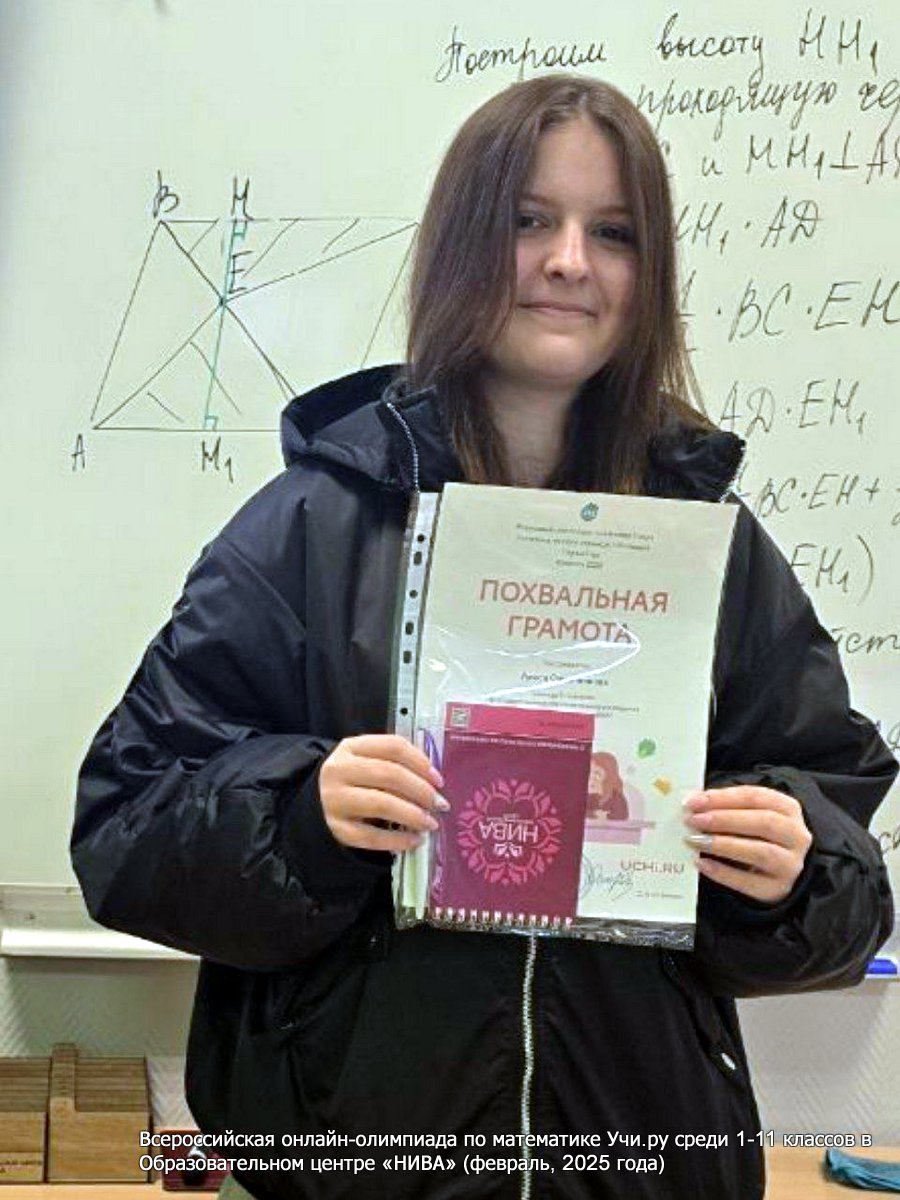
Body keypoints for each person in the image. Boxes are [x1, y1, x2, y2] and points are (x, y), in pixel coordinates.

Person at [72, 75, 896, 1200]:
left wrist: (792, 871)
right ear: (464, 241)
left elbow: (847, 876)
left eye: (615, 232)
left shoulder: (710, 543)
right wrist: (301, 815)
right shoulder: (314, 525)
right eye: (528, 220)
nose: (570, 261)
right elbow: (123, 831)